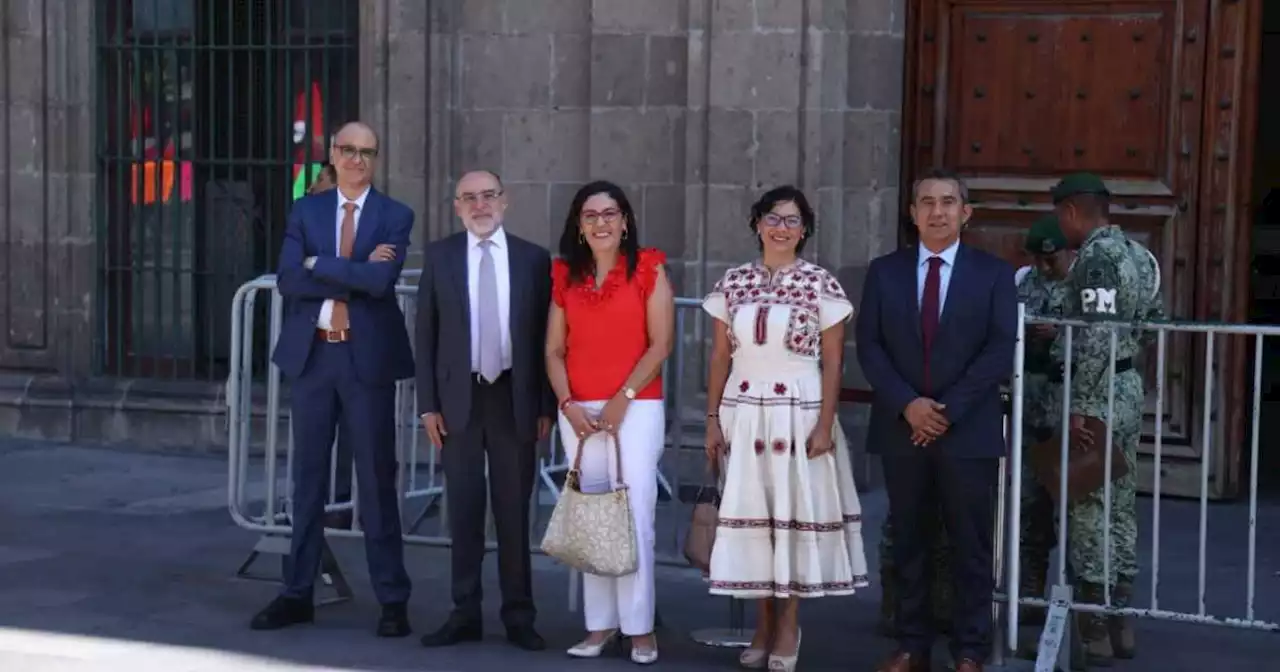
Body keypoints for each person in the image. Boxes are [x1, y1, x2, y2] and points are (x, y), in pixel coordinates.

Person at [252, 121, 414, 638]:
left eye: (368, 152)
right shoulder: (308, 208)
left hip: (365, 362)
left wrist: (321, 262)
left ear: (376, 158)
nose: (357, 160)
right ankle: (297, 592)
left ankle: (392, 599)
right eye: (349, 150)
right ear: (333, 154)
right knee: (308, 481)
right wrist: (352, 267)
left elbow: (380, 280)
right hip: (314, 359)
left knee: (376, 481)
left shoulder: (395, 215)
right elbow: (288, 279)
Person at [702, 185, 870, 672]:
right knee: (756, 518)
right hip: (744, 409)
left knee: (791, 519)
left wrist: (825, 424)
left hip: (798, 412)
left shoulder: (821, 284)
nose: (781, 227)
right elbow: (719, 357)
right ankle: (761, 623)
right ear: (757, 224)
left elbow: (835, 362)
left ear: (804, 230)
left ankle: (789, 624)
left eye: (793, 221)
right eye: (773, 218)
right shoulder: (733, 283)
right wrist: (713, 419)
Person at [858, 168, 1016, 672]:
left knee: (970, 545)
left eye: (948, 202)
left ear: (965, 214)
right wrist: (910, 405)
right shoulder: (884, 272)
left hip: (967, 430)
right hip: (902, 428)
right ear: (912, 213)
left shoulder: (993, 275)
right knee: (909, 540)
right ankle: (912, 645)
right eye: (926, 202)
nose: (937, 211)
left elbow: (998, 348)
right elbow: (871, 346)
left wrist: (946, 411)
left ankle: (970, 650)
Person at [415, 169, 553, 652]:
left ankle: (519, 615)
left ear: (505, 201)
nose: (480, 205)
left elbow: (543, 341)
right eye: (469, 198)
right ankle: (464, 612)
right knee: (465, 509)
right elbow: (425, 335)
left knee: (514, 512)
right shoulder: (440, 256)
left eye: (488, 196)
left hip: (515, 398)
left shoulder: (534, 261)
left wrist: (544, 405)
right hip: (459, 402)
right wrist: (427, 405)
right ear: (457, 206)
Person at [545, 180, 673, 665]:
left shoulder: (648, 268)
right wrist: (567, 404)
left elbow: (660, 344)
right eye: (590, 215)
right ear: (579, 225)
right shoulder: (565, 276)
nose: (601, 222)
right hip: (577, 411)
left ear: (625, 221)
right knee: (591, 516)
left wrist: (624, 397)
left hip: (635, 408)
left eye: (610, 213)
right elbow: (553, 350)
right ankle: (599, 626)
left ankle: (640, 629)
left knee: (634, 513)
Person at [1049, 172, 1162, 664]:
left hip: (1096, 394)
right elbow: (1154, 321)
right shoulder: (1140, 255)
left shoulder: (1095, 259)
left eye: (1061, 216)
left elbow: (1096, 336)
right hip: (1128, 386)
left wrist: (1080, 407)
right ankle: (1121, 620)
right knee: (1119, 505)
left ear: (1072, 211)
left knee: (1088, 505)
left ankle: (1093, 626)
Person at [1012, 214, 1073, 656]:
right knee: (1028, 506)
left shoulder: (1084, 286)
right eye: (1040, 259)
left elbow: (1105, 342)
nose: (1046, 267)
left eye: (1053, 258)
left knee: (1073, 512)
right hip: (1029, 408)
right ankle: (1029, 595)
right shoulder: (1022, 282)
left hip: (1069, 408)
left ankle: (1081, 606)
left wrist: (1061, 335)